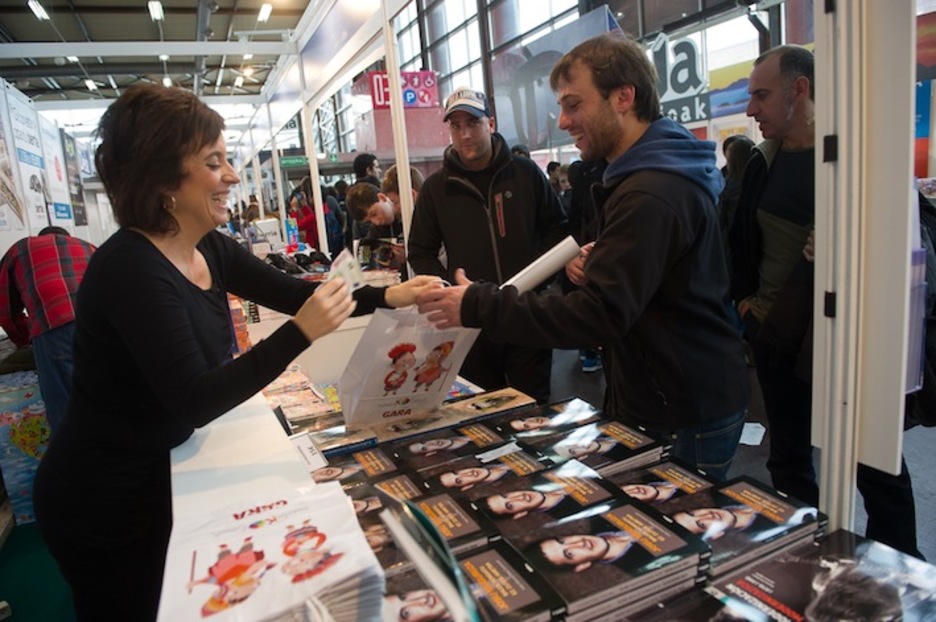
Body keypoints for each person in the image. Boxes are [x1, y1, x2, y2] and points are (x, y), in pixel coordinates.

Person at [30, 84, 442, 621]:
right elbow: (195, 398)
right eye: (213, 162)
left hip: (161, 476)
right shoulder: (130, 268)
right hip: (102, 501)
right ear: (162, 179)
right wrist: (300, 334)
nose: (232, 176)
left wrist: (390, 295)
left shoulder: (209, 246)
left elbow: (300, 294)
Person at [416, 34, 748, 479]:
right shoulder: (640, 180)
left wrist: (477, 302)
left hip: (683, 408)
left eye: (574, 104)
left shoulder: (651, 191)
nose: (564, 120)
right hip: (666, 391)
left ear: (624, 97)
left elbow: (599, 314)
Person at [728, 45, 924, 558]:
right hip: (774, 339)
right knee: (790, 461)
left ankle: (898, 573)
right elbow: (744, 242)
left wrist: (848, 244)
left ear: (801, 89)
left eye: (762, 95)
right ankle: (813, 561)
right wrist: (748, 303)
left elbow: (905, 240)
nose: (752, 108)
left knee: (874, 465)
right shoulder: (761, 162)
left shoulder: (857, 162)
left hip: (845, 343)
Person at [408, 87, 568, 403]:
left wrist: (537, 279)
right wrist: (446, 290)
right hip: (470, 321)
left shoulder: (525, 174)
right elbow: (420, 250)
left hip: (524, 312)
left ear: (491, 124)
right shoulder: (436, 189)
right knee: (478, 411)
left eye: (473, 123)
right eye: (456, 126)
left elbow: (557, 230)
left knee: (533, 408)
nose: (465, 134)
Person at [0, 226, 95, 431]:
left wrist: (23, 341)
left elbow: (6, 312)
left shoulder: (21, 248)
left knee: (65, 409)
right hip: (102, 325)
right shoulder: (89, 247)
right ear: (68, 238)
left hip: (56, 326)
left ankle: (74, 458)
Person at [533, 532, 634, 573]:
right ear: (582, 566)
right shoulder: (632, 568)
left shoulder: (602, 516)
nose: (580, 543)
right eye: (569, 554)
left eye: (562, 541)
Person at [671, 505, 757, 539]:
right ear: (715, 535)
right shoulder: (757, 532)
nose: (708, 515)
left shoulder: (721, 493)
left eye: (692, 514)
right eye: (702, 524)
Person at [482, 489, 567, 519]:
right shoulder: (564, 514)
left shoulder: (539, 478)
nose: (519, 497)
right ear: (520, 514)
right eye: (510, 505)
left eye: (506, 495)